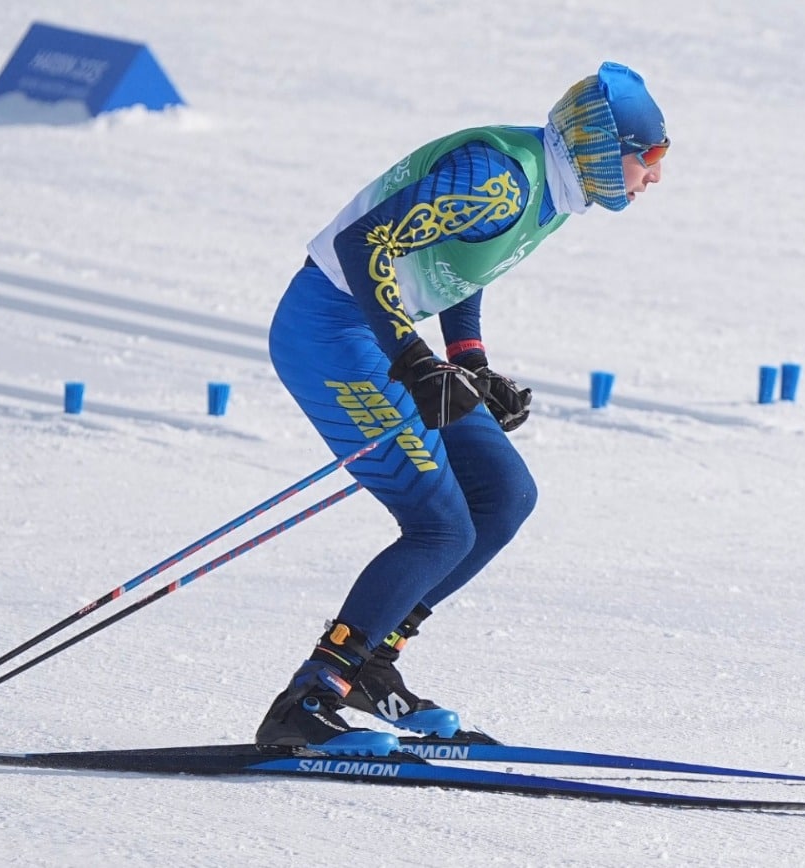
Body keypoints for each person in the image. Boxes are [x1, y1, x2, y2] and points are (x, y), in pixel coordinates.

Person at [256, 61, 669, 755]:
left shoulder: (553, 190)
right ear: (603, 147)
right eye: (648, 156)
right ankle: (310, 697)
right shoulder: (499, 179)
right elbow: (364, 243)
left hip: (379, 334)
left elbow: (459, 261)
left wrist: (470, 360)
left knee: (504, 495)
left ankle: (369, 662)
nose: (654, 176)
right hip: (330, 330)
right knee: (440, 526)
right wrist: (414, 359)